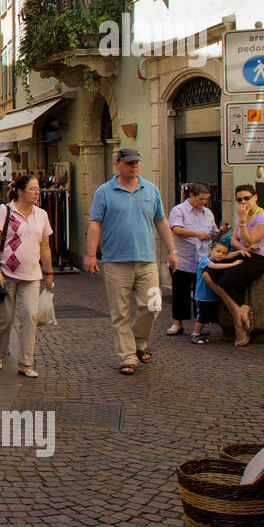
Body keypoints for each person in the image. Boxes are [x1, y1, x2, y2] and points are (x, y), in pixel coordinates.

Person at [85, 147, 180, 375]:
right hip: (115, 262)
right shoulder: (104, 192)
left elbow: (161, 221)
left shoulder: (151, 190)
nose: (134, 166)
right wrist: (90, 255)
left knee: (153, 305)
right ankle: (127, 357)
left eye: (136, 162)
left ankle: (138, 341)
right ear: (118, 164)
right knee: (120, 313)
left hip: (147, 260)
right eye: (129, 163)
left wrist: (172, 251)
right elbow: (95, 223)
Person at [0, 174, 55, 377]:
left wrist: (49, 272)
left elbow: (45, 247)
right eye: (33, 189)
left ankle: (26, 363)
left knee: (30, 316)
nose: (37, 192)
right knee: (5, 318)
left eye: (38, 189)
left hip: (32, 274)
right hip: (7, 274)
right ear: (20, 191)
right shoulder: (5, 211)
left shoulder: (41, 214)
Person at [202, 185, 264, 346]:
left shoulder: (263, 218)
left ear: (255, 197)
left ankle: (238, 325)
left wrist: (242, 221)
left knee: (227, 281)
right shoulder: (241, 217)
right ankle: (240, 310)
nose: (243, 202)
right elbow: (235, 241)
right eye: (239, 199)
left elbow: (249, 240)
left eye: (246, 198)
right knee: (208, 273)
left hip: (259, 259)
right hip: (244, 255)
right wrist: (245, 248)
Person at [166, 182, 221, 336]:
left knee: (200, 293)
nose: (203, 202)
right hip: (182, 258)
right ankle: (177, 323)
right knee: (180, 292)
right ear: (191, 196)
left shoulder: (208, 213)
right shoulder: (179, 210)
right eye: (201, 198)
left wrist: (219, 233)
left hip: (202, 259)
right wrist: (197, 234)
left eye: (206, 199)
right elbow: (176, 230)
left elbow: (213, 232)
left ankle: (200, 324)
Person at [191, 241, 244, 345]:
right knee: (201, 317)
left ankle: (200, 332)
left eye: (223, 253)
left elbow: (228, 256)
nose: (221, 254)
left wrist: (239, 252)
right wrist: (233, 264)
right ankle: (195, 334)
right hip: (202, 296)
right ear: (211, 250)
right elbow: (215, 267)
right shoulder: (204, 261)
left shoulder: (219, 261)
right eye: (218, 251)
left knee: (207, 316)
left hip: (211, 297)